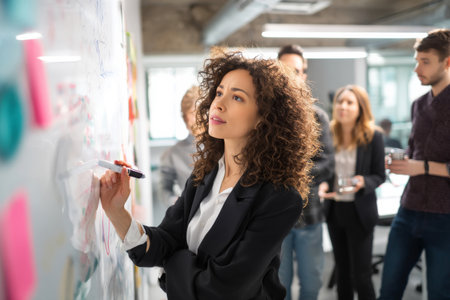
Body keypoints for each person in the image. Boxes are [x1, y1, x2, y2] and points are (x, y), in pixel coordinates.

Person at [99, 50, 320, 300]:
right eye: (219, 92)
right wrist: (117, 211)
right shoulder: (204, 175)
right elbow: (163, 243)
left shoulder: (279, 198)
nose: (218, 104)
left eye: (237, 97)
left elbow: (224, 290)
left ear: (263, 118)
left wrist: (172, 263)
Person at [379, 29, 450, 300]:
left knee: (440, 293)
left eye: (425, 61)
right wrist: (402, 159)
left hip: (445, 217)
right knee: (388, 290)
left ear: (448, 62)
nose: (416, 67)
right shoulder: (418, 105)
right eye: (416, 60)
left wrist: (422, 167)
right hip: (408, 210)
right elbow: (415, 149)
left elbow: (424, 162)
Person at [277, 44, 335, 300]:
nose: (291, 75)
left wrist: (296, 173)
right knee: (280, 286)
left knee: (311, 285)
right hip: (273, 219)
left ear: (303, 75)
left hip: (308, 215)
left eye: (296, 70)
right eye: (284, 70)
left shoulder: (318, 117)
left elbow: (328, 162)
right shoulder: (262, 116)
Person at [318, 85, 385, 300]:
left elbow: (379, 175)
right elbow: (326, 171)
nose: (343, 106)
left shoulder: (373, 136)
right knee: (342, 273)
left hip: (360, 212)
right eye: (339, 101)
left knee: (361, 275)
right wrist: (324, 185)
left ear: (360, 108)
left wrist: (362, 181)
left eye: (349, 102)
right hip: (335, 210)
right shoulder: (328, 133)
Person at [159, 86, 199, 206]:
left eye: (204, 111)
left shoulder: (223, 146)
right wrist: (176, 203)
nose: (201, 116)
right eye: (194, 112)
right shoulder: (173, 153)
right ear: (186, 117)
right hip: (189, 214)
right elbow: (164, 189)